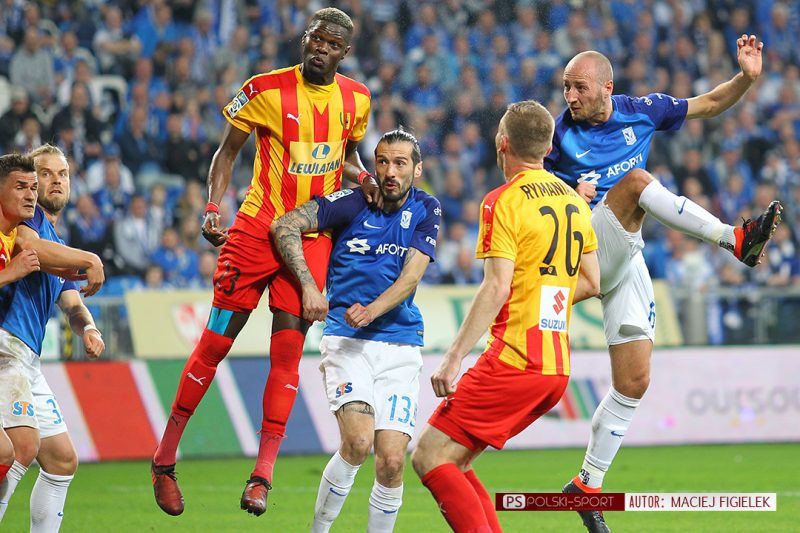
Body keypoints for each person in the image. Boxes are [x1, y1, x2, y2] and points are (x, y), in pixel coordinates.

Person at [545, 37, 782, 532]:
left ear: (607, 88)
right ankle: (734, 239)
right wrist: (565, 191)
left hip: (623, 252)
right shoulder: (557, 134)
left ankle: (586, 486)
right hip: (583, 249)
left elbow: (710, 103)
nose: (570, 96)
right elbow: (522, 182)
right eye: (566, 87)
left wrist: (746, 78)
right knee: (635, 182)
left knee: (633, 381)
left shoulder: (643, 111)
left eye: (579, 87)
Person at [151, 7, 378, 517]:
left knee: (287, 356)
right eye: (316, 39)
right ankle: (164, 460)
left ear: (344, 53)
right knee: (214, 344)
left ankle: (262, 476)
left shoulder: (357, 99)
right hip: (255, 231)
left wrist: (363, 176)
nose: (321, 49)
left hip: (311, 236)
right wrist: (214, 207)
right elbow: (227, 152)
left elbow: (346, 155)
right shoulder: (264, 89)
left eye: (333, 45)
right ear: (304, 39)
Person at [411, 101, 601, 532]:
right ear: (548, 148)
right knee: (455, 460)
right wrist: (541, 300)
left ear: (502, 144)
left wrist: (453, 357)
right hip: (555, 369)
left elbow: (496, 287)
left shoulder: (502, 202)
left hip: (515, 361)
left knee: (429, 456)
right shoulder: (574, 202)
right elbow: (593, 282)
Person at [272, 129, 440, 532]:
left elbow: (412, 276)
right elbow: (284, 225)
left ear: (417, 170)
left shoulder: (426, 208)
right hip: (347, 342)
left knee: (392, 461)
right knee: (358, 443)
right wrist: (309, 285)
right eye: (382, 161)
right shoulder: (350, 203)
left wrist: (373, 310)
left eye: (400, 163)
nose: (390, 171)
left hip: (400, 345)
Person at [0, 144, 105, 532]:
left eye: (62, 174)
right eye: (45, 174)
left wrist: (89, 328)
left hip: (29, 358)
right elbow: (30, 248)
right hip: (7, 344)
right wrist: (90, 259)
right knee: (19, 448)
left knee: (61, 459)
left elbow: (73, 303)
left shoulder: (56, 244)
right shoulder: (27, 220)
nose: (55, 181)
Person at [0, 154, 41, 488]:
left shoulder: (13, 237)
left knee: (23, 445)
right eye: (20, 187)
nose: (30, 195)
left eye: (33, 188)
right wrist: (9, 273)